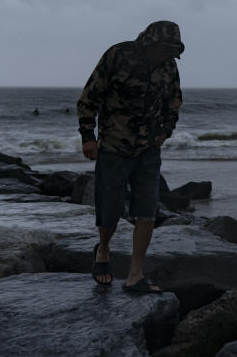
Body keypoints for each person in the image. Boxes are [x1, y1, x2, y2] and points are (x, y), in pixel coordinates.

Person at [77, 20, 184, 293]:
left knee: (147, 210)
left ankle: (136, 274)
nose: (169, 55)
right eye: (166, 49)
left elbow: (174, 101)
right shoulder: (118, 55)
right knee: (111, 209)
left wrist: (165, 132)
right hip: (114, 146)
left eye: (173, 51)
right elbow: (90, 96)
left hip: (149, 149)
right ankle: (103, 250)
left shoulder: (170, 66)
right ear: (151, 43)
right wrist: (88, 136)